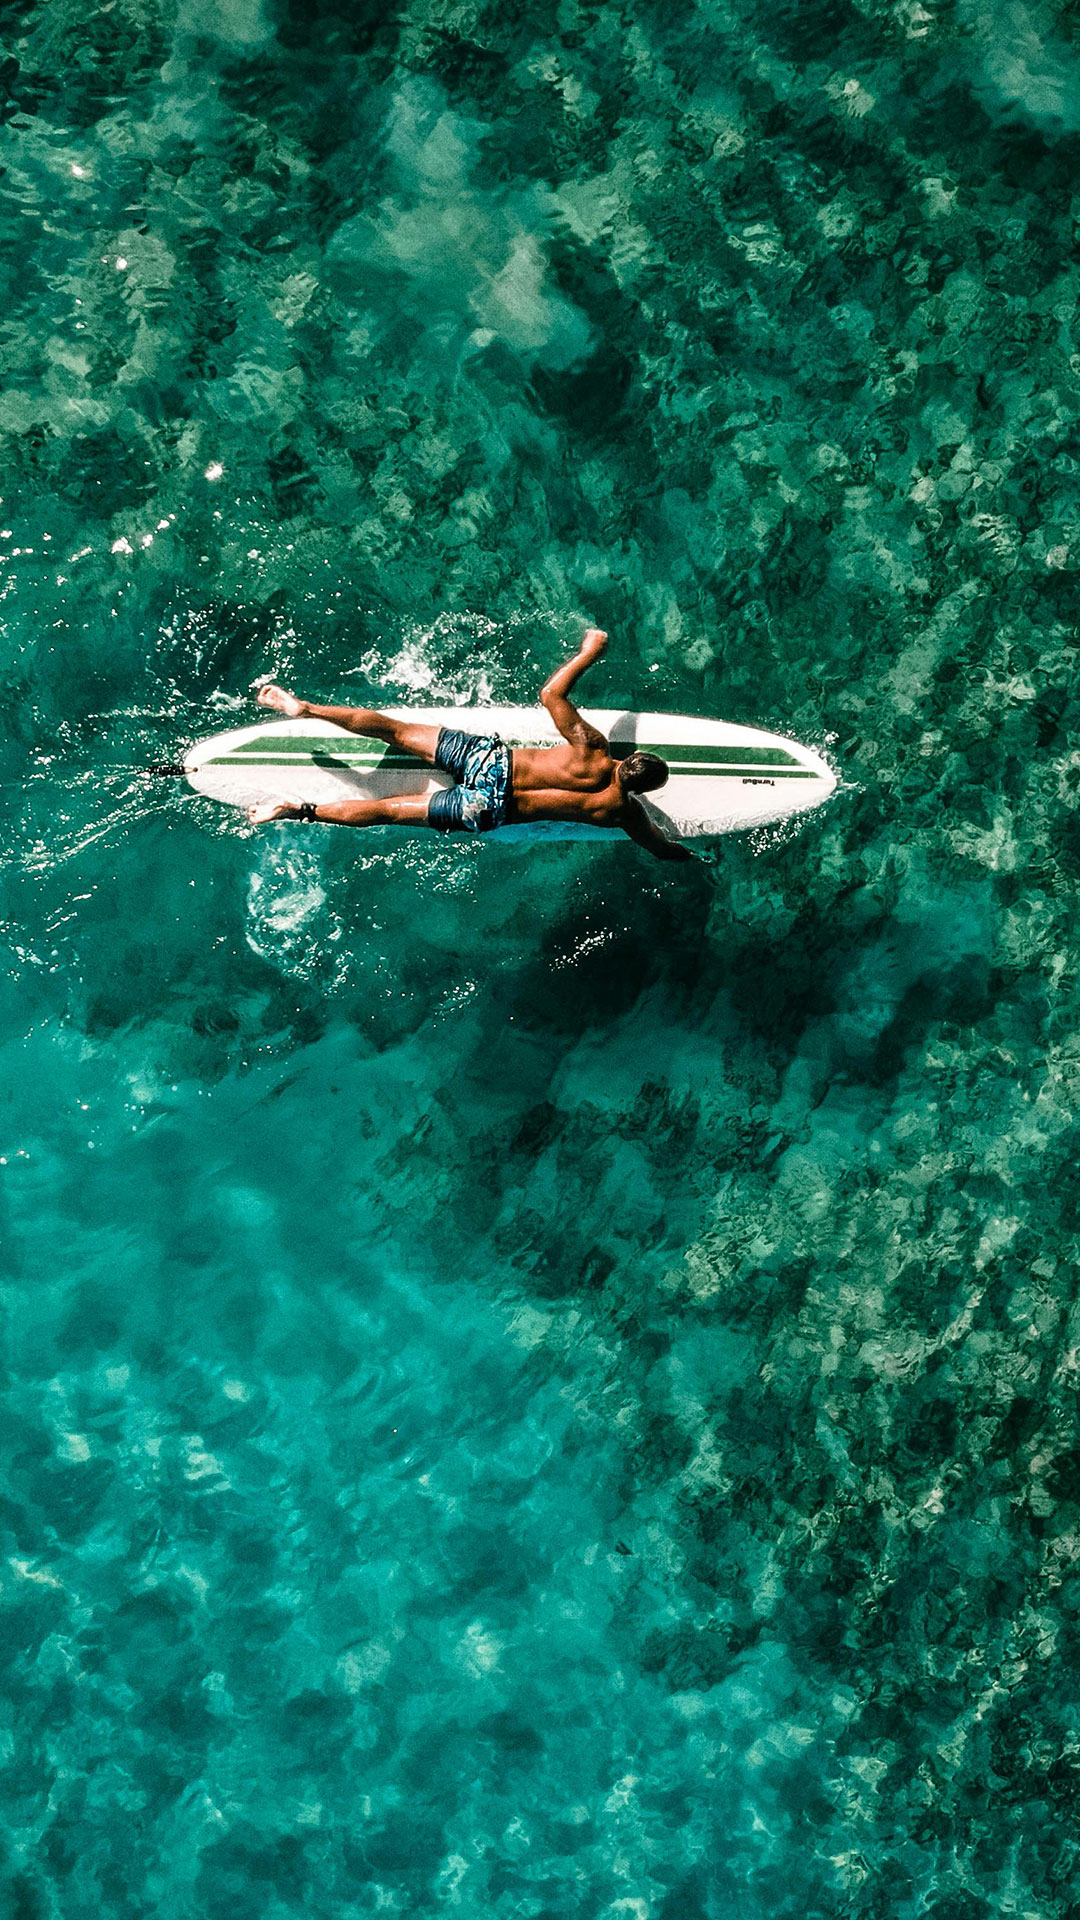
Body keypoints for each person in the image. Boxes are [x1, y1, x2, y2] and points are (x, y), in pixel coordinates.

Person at [248, 627, 694, 861]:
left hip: (491, 763)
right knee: (387, 813)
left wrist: (589, 652)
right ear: (640, 790)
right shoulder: (623, 813)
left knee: (397, 732)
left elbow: (550, 696)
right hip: (488, 809)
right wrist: (694, 856)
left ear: (628, 758)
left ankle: (306, 708)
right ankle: (298, 810)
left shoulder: (592, 748)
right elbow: (661, 850)